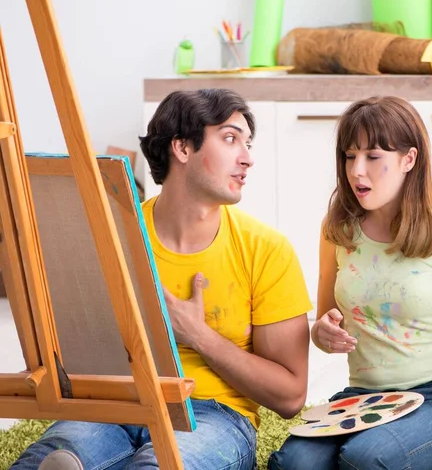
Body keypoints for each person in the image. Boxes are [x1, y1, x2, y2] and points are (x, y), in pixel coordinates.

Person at [11, 88, 313, 469]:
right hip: (116, 404)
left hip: (214, 414)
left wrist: (198, 335)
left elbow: (289, 397)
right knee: (46, 461)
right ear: (182, 148)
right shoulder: (113, 238)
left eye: (247, 143)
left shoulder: (267, 249)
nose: (247, 159)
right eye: (231, 138)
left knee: (158, 467)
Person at [268, 96, 432, 470]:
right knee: (293, 464)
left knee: (365, 458)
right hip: (365, 398)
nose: (357, 170)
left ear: (408, 160)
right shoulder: (338, 230)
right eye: (350, 155)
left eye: (373, 157)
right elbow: (325, 324)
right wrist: (323, 332)